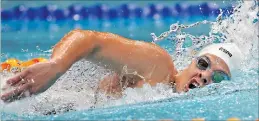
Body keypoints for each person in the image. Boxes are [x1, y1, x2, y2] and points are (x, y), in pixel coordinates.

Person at [0, 29, 243, 102]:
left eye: (218, 78)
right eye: (203, 63)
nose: (204, 76)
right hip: (51, 102)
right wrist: (57, 65)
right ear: (191, 61)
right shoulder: (157, 66)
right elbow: (89, 39)